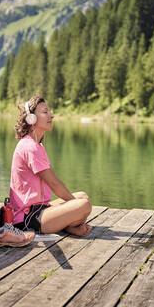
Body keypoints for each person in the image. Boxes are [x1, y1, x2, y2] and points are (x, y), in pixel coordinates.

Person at [10, 95, 92, 237]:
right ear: (31, 119)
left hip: (41, 209)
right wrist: (75, 209)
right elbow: (54, 184)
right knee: (83, 205)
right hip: (28, 218)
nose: (51, 115)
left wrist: (73, 209)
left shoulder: (36, 145)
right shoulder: (30, 147)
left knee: (82, 196)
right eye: (45, 112)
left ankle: (67, 226)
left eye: (50, 112)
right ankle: (68, 225)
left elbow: (54, 182)